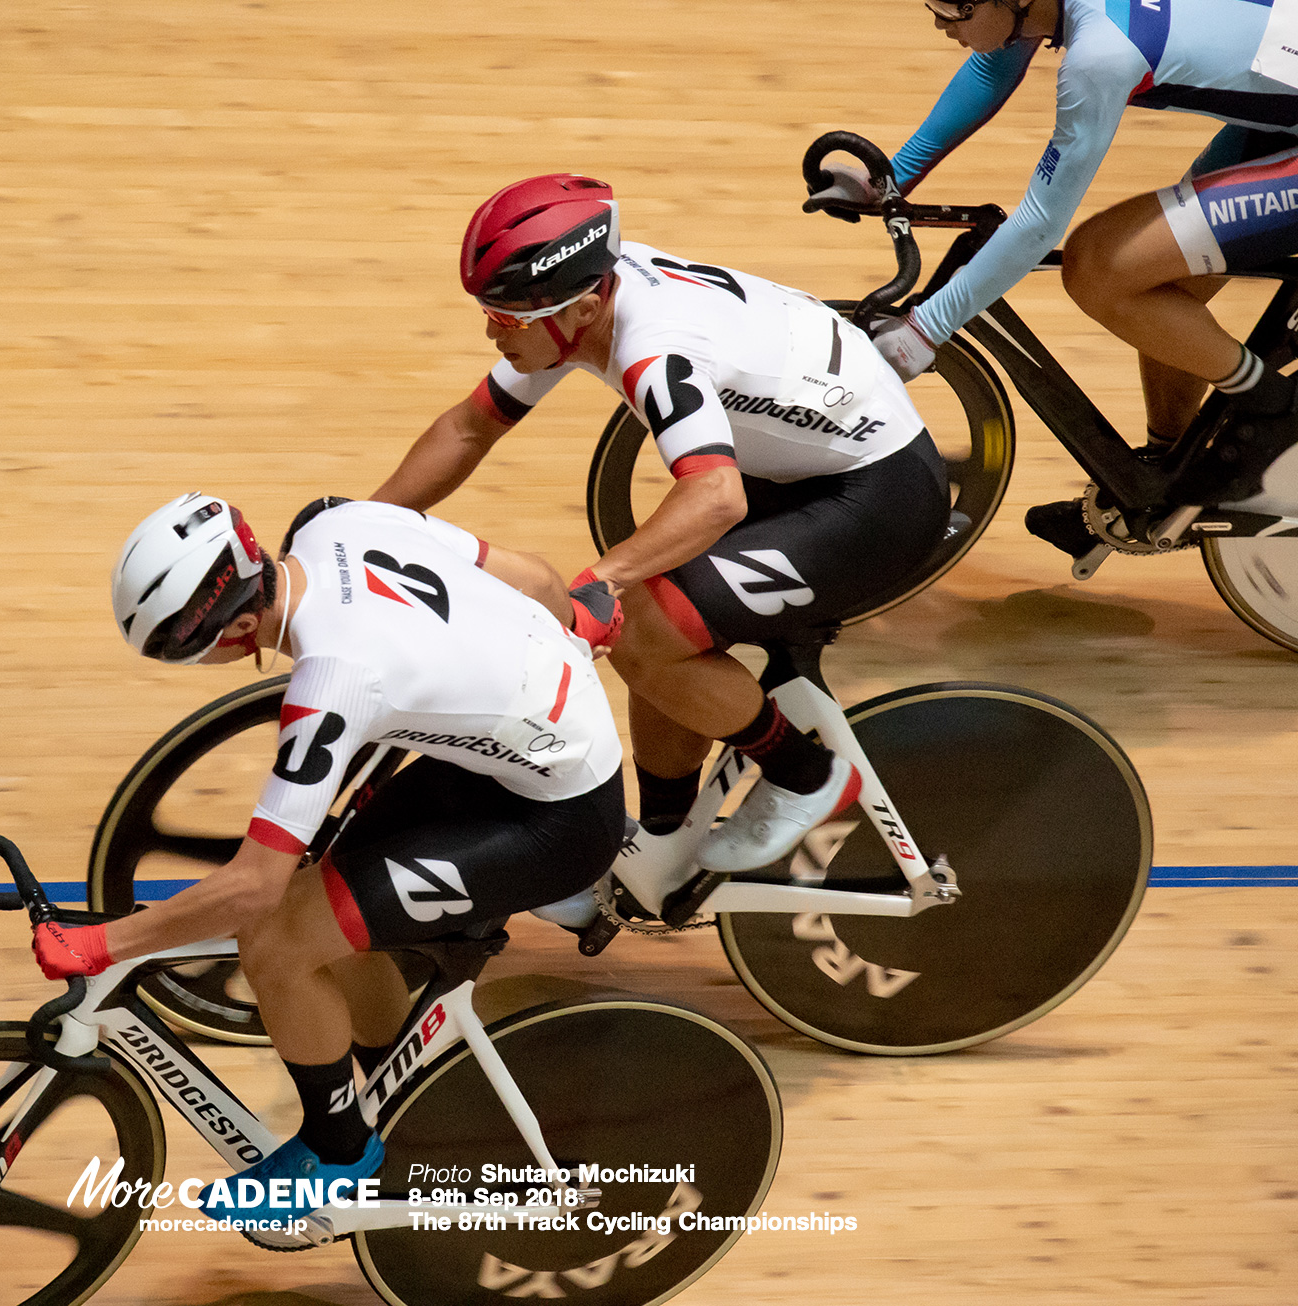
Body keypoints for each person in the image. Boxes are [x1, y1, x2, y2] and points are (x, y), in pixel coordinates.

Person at [32, 491, 627, 1228]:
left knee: (277, 939)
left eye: (187, 651)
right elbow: (536, 578)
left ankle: (338, 1152)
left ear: (242, 627)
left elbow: (252, 887)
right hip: (523, 757)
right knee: (328, 914)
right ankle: (398, 1090)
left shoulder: (333, 683)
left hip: (557, 820)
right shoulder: (336, 521)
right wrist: (580, 620)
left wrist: (100, 943)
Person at [371, 174, 949, 920]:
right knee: (648, 624)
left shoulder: (654, 349)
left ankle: (805, 774)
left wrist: (598, 581)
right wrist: (369, 522)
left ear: (580, 307)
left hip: (875, 498)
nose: (492, 333)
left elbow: (716, 496)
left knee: (639, 625)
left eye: (504, 317)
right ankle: (667, 841)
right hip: (800, 465)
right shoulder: (586, 303)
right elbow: (468, 427)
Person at [808, 0, 1298, 556]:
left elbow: (1041, 223)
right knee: (1166, 299)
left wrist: (929, 327)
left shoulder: (1102, 53)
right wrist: (893, 177)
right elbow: (994, 60)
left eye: (956, 7)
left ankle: (1281, 409)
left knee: (1100, 266)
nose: (941, 21)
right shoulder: (1048, 8)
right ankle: (1163, 481)